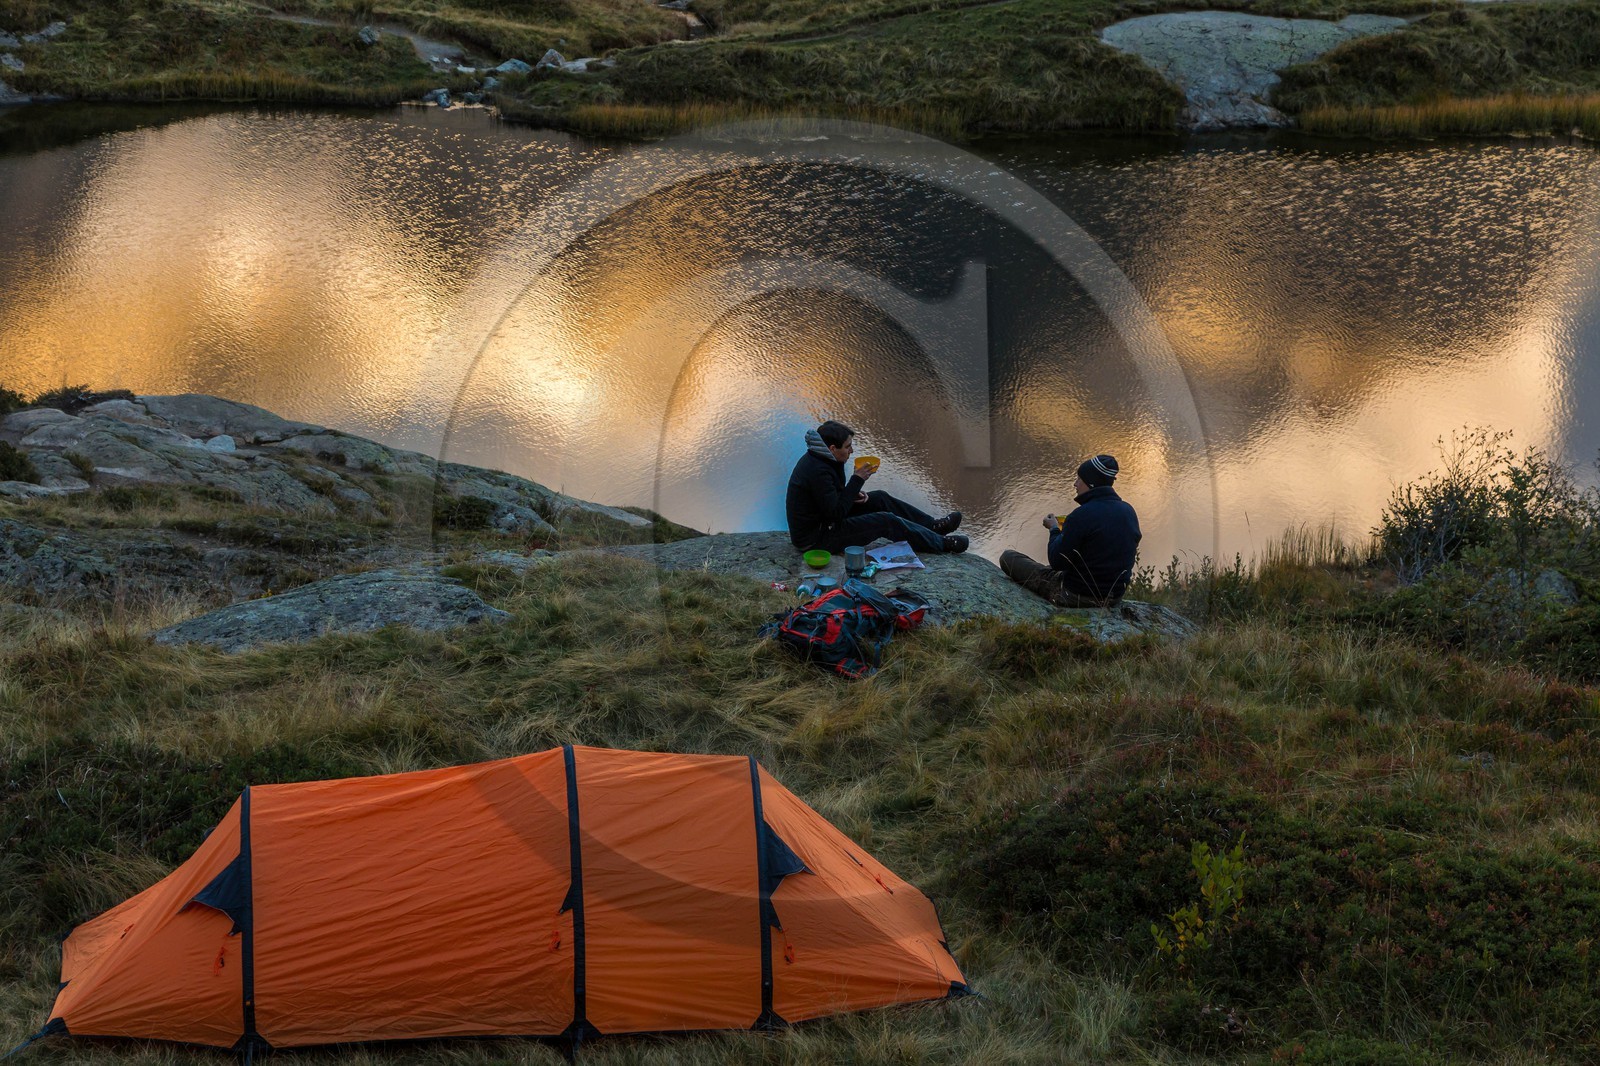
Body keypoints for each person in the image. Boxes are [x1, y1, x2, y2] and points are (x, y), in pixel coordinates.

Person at [785, 420, 967, 555]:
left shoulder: (825, 458)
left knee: (879, 497)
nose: (852, 451)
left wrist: (853, 494)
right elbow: (835, 513)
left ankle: (932, 526)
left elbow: (830, 500)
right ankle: (941, 544)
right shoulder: (817, 470)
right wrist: (857, 480)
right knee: (885, 521)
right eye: (848, 447)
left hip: (826, 522)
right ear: (832, 448)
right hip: (816, 539)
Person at [1001, 454, 1141, 607]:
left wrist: (1054, 529)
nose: (1075, 484)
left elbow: (1057, 561)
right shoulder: (1128, 511)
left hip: (1075, 595)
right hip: (1114, 598)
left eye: (1079, 479)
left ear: (1091, 483)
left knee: (1008, 557)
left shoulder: (1082, 515)